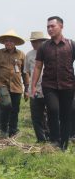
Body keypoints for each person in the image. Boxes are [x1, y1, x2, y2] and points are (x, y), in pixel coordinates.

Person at [32, 16, 75, 150]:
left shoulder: (71, 45)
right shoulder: (43, 47)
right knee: (53, 110)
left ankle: (64, 143)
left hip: (68, 85)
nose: (50, 29)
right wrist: (33, 86)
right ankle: (55, 140)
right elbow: (38, 67)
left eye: (52, 26)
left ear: (61, 26)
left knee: (66, 114)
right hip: (49, 85)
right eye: (48, 27)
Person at [0, 30, 29, 139]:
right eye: (6, 41)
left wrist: (27, 89)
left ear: (15, 42)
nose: (8, 43)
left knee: (15, 109)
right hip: (1, 84)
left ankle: (13, 131)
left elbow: (25, 73)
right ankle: (3, 130)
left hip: (17, 86)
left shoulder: (21, 54)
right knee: (6, 105)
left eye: (10, 41)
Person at [24, 31, 49, 143]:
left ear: (42, 41)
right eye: (32, 42)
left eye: (36, 42)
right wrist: (27, 88)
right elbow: (27, 72)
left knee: (50, 114)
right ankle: (41, 139)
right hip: (34, 90)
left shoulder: (49, 52)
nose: (34, 44)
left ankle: (50, 137)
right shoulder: (29, 55)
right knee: (36, 116)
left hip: (48, 89)